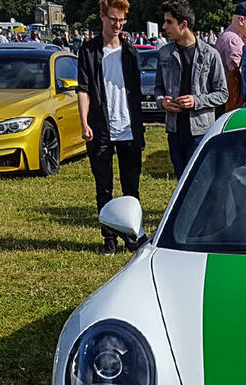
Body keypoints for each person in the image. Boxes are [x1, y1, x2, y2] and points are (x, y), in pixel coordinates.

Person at [77, 0, 149, 255]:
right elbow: (83, 88)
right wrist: (84, 122)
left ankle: (133, 236)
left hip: (129, 128)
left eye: (121, 20)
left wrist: (140, 129)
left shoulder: (130, 51)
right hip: (100, 129)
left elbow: (136, 93)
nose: (117, 25)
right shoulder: (88, 51)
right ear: (102, 17)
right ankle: (109, 238)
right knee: (103, 187)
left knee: (132, 187)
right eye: (113, 19)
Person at [157, 0, 227, 177]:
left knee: (200, 181)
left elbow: (223, 94)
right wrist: (162, 102)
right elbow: (158, 89)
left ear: (184, 24)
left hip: (201, 131)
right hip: (174, 130)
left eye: (169, 22)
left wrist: (196, 101)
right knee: (181, 182)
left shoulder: (210, 54)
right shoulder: (164, 53)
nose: (164, 26)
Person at [216, 2, 246, 113]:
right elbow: (237, 75)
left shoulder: (228, 36)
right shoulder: (233, 40)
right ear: (241, 20)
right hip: (231, 102)